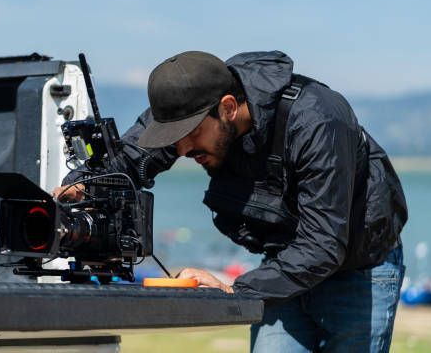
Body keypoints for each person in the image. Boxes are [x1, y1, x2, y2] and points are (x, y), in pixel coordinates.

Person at [54, 50, 407, 352]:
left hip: (359, 267)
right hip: (283, 264)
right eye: (174, 139)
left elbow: (324, 244)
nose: (182, 149)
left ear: (227, 108)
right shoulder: (186, 105)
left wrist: (234, 289)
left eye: (191, 135)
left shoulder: (318, 121)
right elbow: (127, 159)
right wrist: (82, 186)